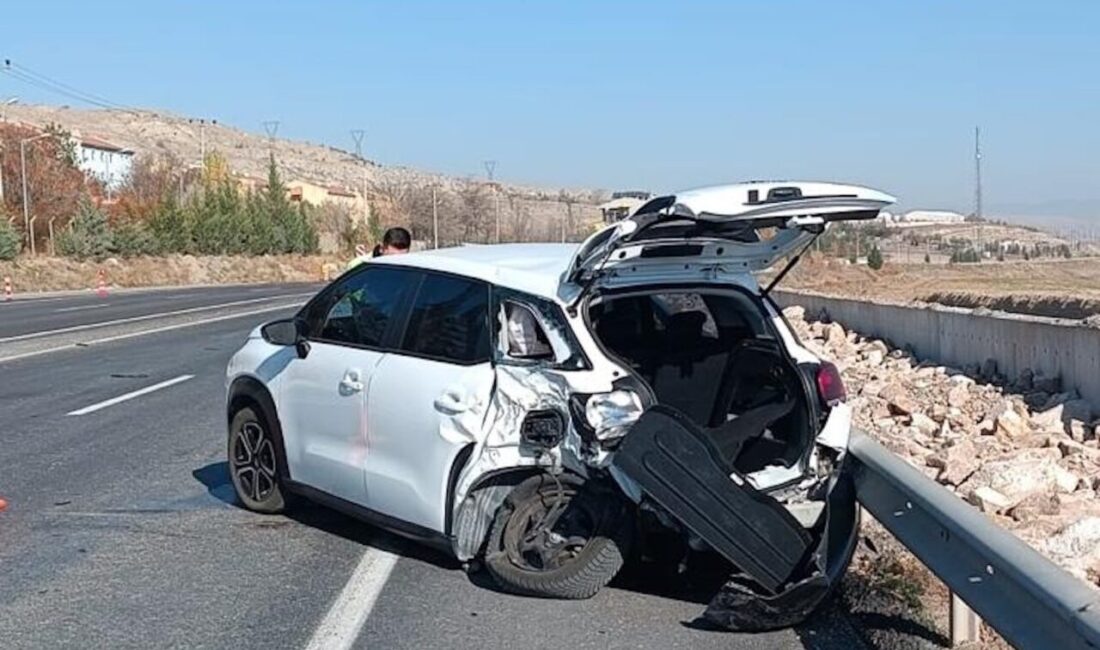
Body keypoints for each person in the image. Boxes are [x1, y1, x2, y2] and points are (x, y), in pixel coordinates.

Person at [346, 227, 412, 270]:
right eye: (392, 258)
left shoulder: (411, 270)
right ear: (381, 249)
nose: (396, 263)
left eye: (401, 258)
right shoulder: (358, 267)